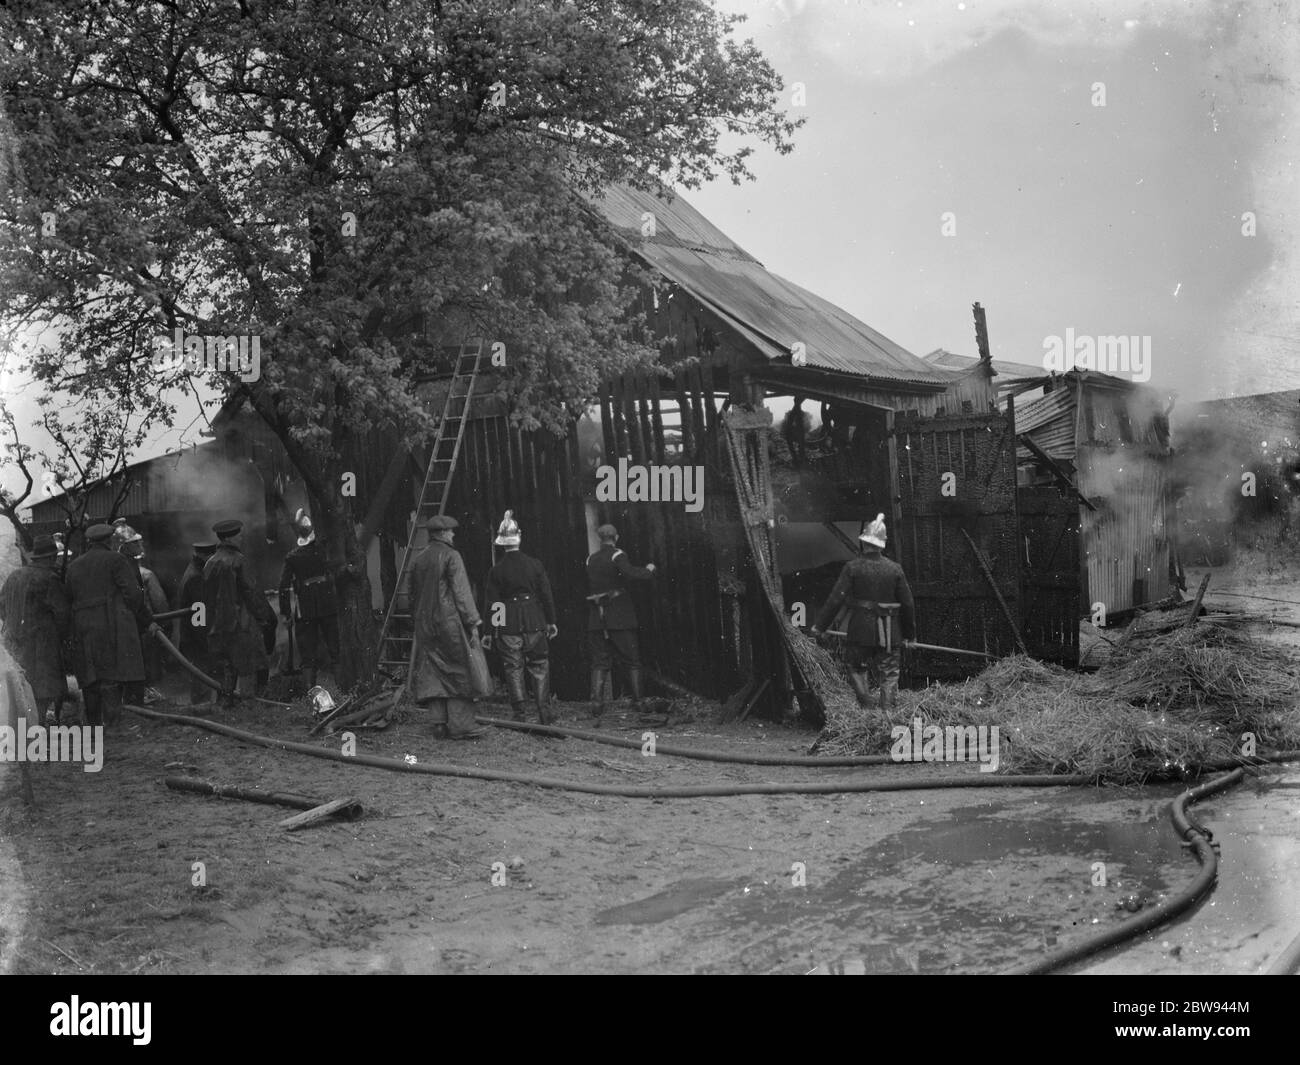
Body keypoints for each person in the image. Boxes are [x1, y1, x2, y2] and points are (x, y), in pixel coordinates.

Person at [810, 513, 916, 711]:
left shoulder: (852, 567)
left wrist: (820, 626)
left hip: (860, 631)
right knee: (890, 674)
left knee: (856, 668)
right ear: (882, 544)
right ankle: (887, 718)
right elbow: (908, 604)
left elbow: (836, 599)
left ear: (864, 542)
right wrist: (910, 636)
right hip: (890, 634)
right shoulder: (895, 569)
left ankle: (867, 709)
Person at [64, 523, 154, 725]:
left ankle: (94, 724)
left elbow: (68, 597)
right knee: (110, 675)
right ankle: (113, 724)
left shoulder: (74, 565)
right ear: (108, 540)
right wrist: (132, 614)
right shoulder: (116, 560)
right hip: (109, 623)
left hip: (82, 626)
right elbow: (133, 594)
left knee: (90, 676)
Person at [408, 514, 485, 739]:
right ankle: (461, 726)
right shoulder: (452, 555)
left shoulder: (418, 559)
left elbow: (412, 595)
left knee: (433, 672)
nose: (453, 534)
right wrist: (472, 622)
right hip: (449, 623)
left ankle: (438, 724)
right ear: (442, 534)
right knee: (460, 672)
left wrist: (418, 619)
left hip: (425, 625)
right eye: (451, 531)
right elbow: (461, 593)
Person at [482, 510, 558, 724]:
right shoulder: (535, 564)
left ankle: (520, 715)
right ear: (519, 537)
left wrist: (491, 631)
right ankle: (545, 714)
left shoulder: (496, 571)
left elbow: (494, 604)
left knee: (513, 668)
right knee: (540, 665)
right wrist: (551, 621)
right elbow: (546, 595)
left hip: (508, 625)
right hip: (535, 621)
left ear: (502, 542)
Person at [203, 518, 277, 705]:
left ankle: (224, 704)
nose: (242, 537)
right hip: (241, 625)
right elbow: (251, 593)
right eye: (239, 535)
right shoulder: (238, 561)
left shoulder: (210, 563)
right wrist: (265, 617)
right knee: (248, 666)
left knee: (226, 667)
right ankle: (249, 705)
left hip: (217, 626)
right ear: (228, 538)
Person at [585, 523, 655, 718]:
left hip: (597, 618)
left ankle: (596, 704)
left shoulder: (590, 559)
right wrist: (648, 570)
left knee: (600, 662)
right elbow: (631, 573)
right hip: (619, 616)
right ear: (616, 537)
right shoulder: (618, 555)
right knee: (632, 660)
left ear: (600, 538)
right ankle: (639, 703)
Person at [0, 534, 71, 723]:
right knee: (42, 690)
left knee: (18, 688)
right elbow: (63, 614)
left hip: (13, 642)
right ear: (49, 558)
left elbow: (2, 607)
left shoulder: (14, 576)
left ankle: (19, 732)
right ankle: (36, 731)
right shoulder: (49, 578)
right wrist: (62, 638)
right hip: (41, 644)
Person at [277, 509, 341, 692]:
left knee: (307, 656)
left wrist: (286, 614)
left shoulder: (292, 557)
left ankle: (309, 694)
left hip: (305, 609)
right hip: (328, 605)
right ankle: (344, 691)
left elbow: (283, 587)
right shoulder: (324, 552)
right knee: (336, 651)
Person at [116, 524, 167, 704]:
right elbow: (160, 603)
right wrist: (162, 621)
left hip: (125, 625)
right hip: (145, 625)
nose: (140, 545)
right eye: (136, 543)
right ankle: (144, 698)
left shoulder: (116, 570)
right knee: (146, 666)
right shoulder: (146, 574)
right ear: (128, 546)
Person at [175, 541, 218, 706]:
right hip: (197, 638)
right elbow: (199, 614)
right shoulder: (196, 577)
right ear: (205, 555)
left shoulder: (193, 571)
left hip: (192, 636)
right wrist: (206, 639)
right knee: (201, 677)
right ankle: (202, 711)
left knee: (201, 677)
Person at [782, 396, 811, 466]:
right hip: (795, 432)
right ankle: (799, 460)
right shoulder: (794, 416)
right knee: (800, 444)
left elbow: (790, 421)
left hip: (794, 432)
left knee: (798, 444)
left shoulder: (793, 416)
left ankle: (798, 460)